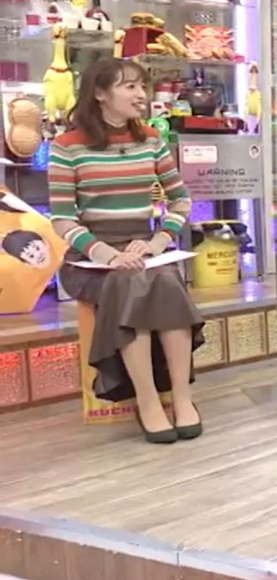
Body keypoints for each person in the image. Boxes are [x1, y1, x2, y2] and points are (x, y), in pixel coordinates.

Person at [49, 58, 203, 443]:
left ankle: (182, 398)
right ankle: (147, 402)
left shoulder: (150, 139)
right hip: (90, 257)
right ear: (100, 94)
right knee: (128, 281)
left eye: (142, 86)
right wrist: (108, 255)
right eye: (129, 87)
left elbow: (181, 201)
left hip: (142, 246)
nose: (141, 95)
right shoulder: (67, 147)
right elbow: (62, 220)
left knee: (166, 281)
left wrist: (156, 242)